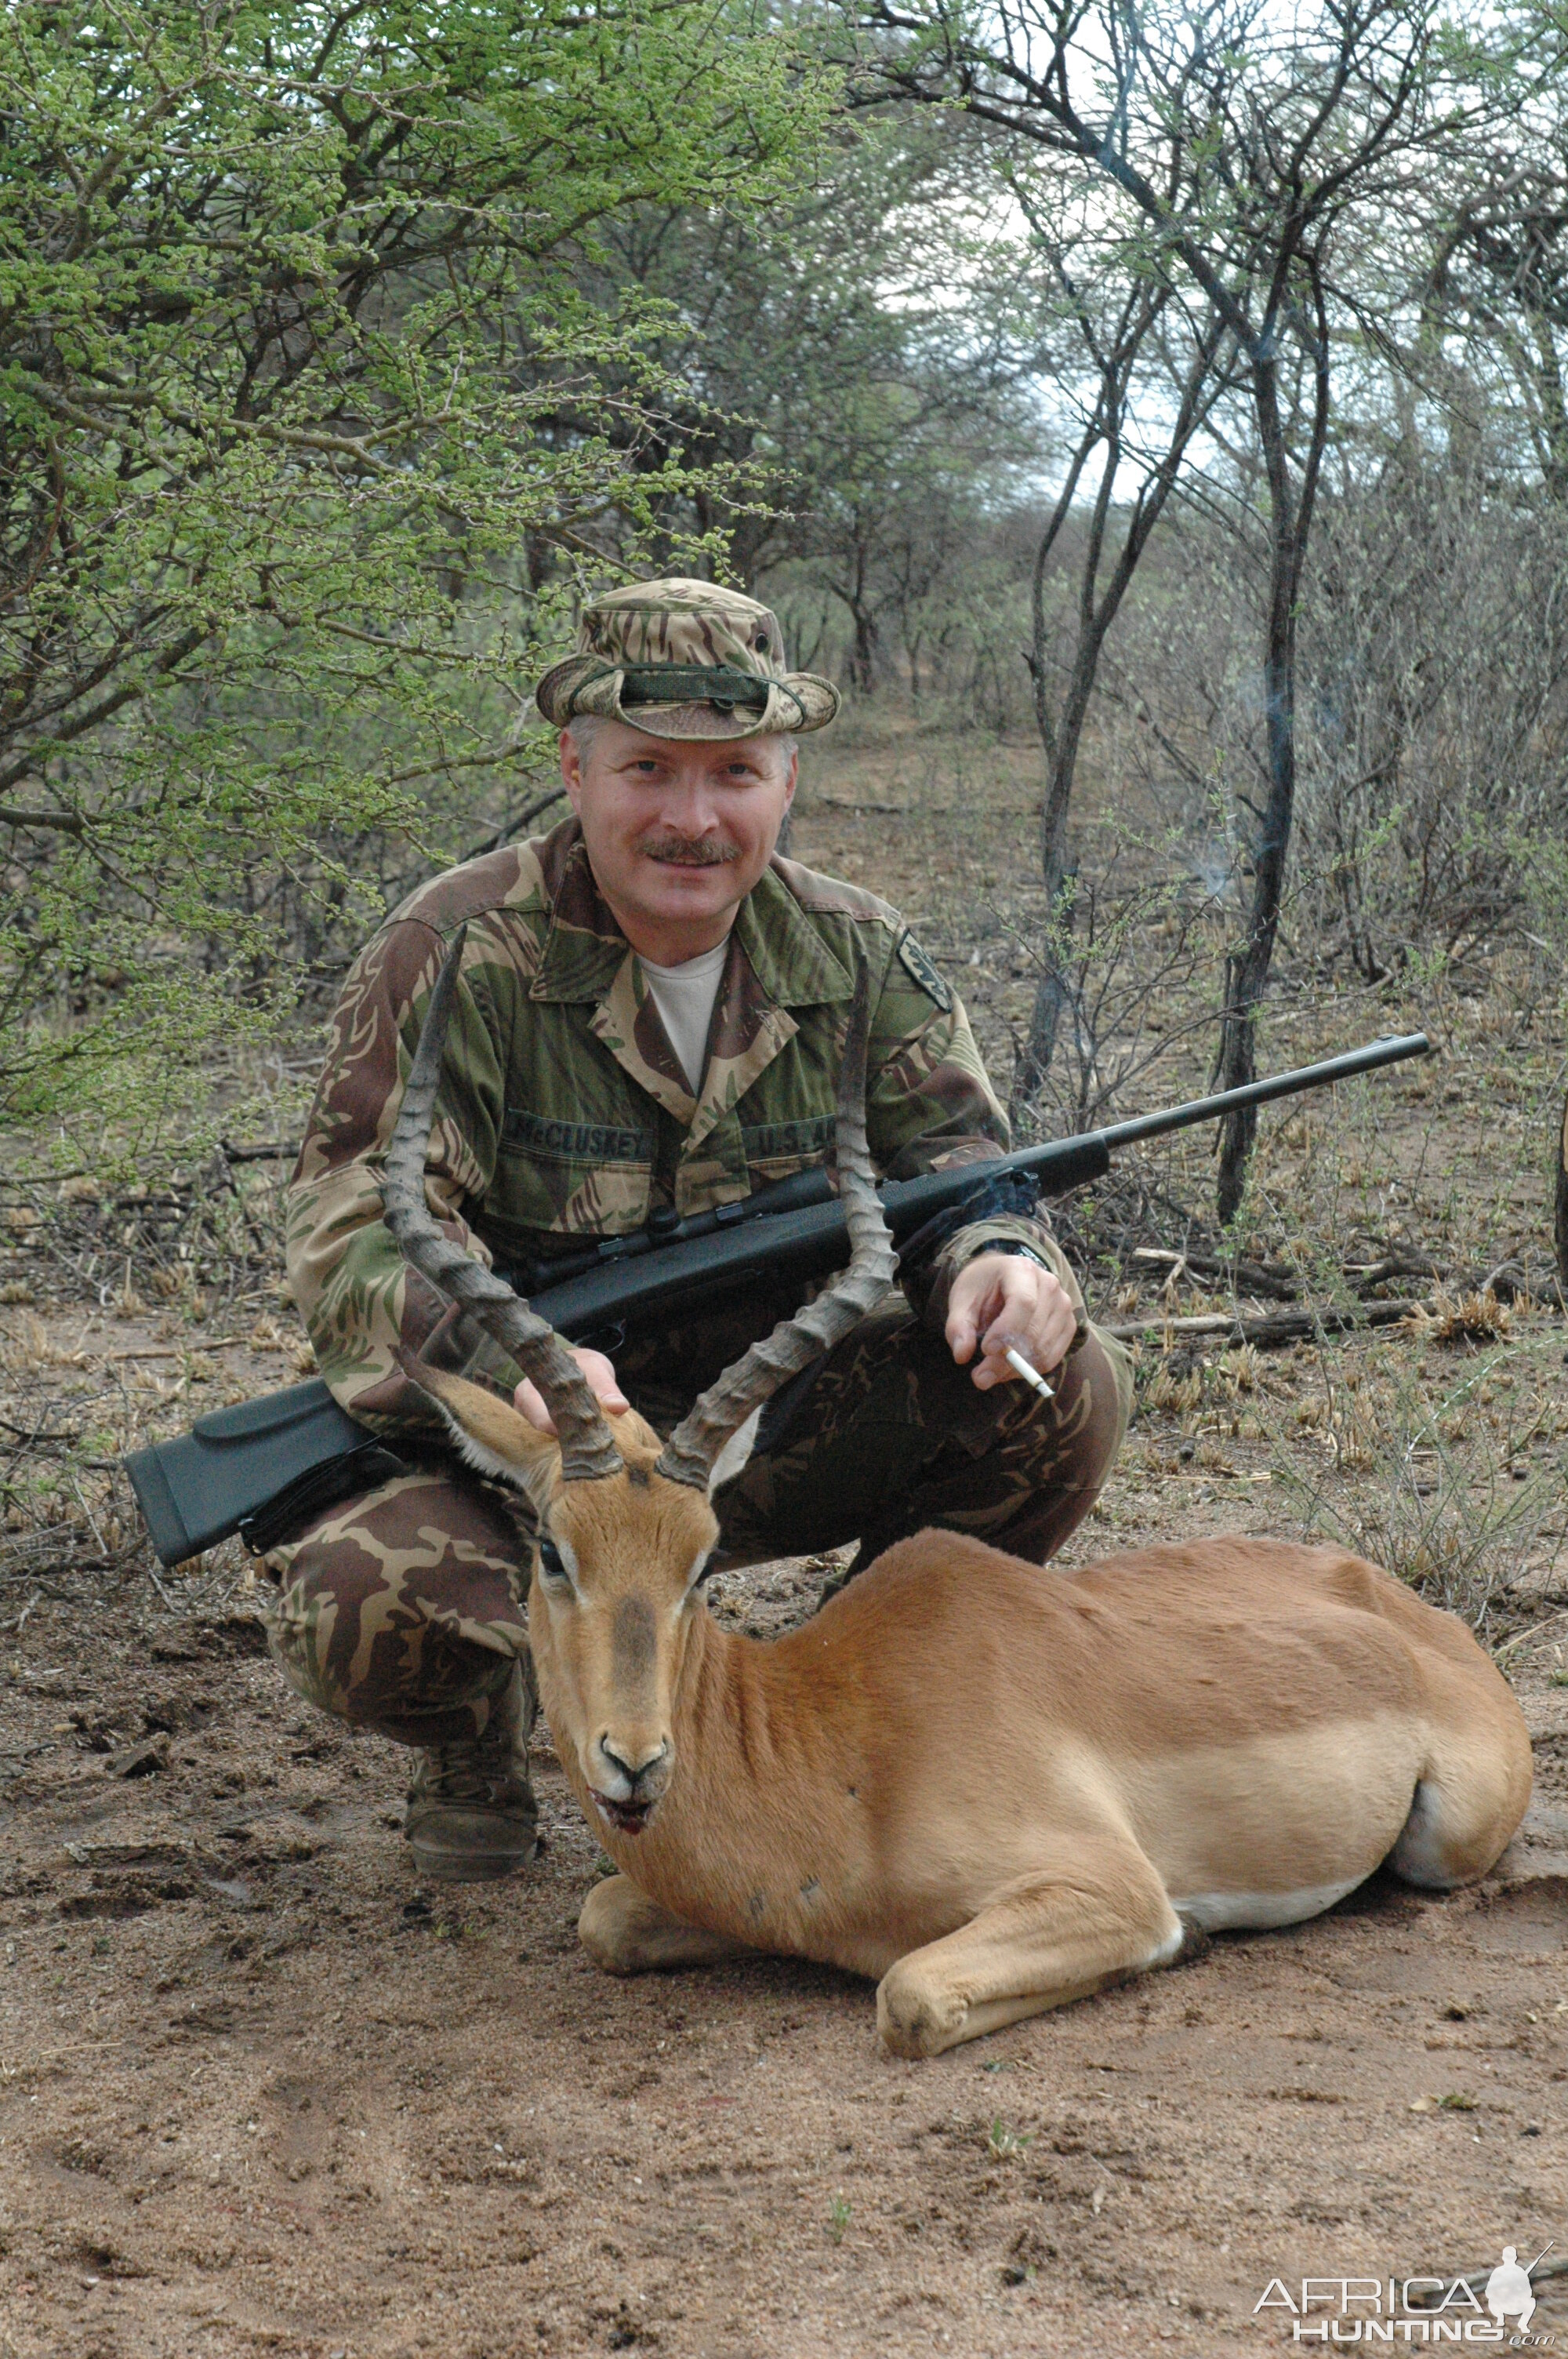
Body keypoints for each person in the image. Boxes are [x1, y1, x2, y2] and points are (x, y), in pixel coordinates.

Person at [268, 578, 1132, 1881]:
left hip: (756, 1433)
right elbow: (353, 1229)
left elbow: (959, 1167)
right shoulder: (457, 948)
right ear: (575, 767)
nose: (691, 816)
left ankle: (827, 1711)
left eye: (734, 771)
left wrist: (1006, 1258)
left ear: (788, 779)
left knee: (1053, 1389)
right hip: (544, 1453)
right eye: (647, 770)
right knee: (360, 1605)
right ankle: (481, 1743)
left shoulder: (859, 952)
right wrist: (519, 1374)